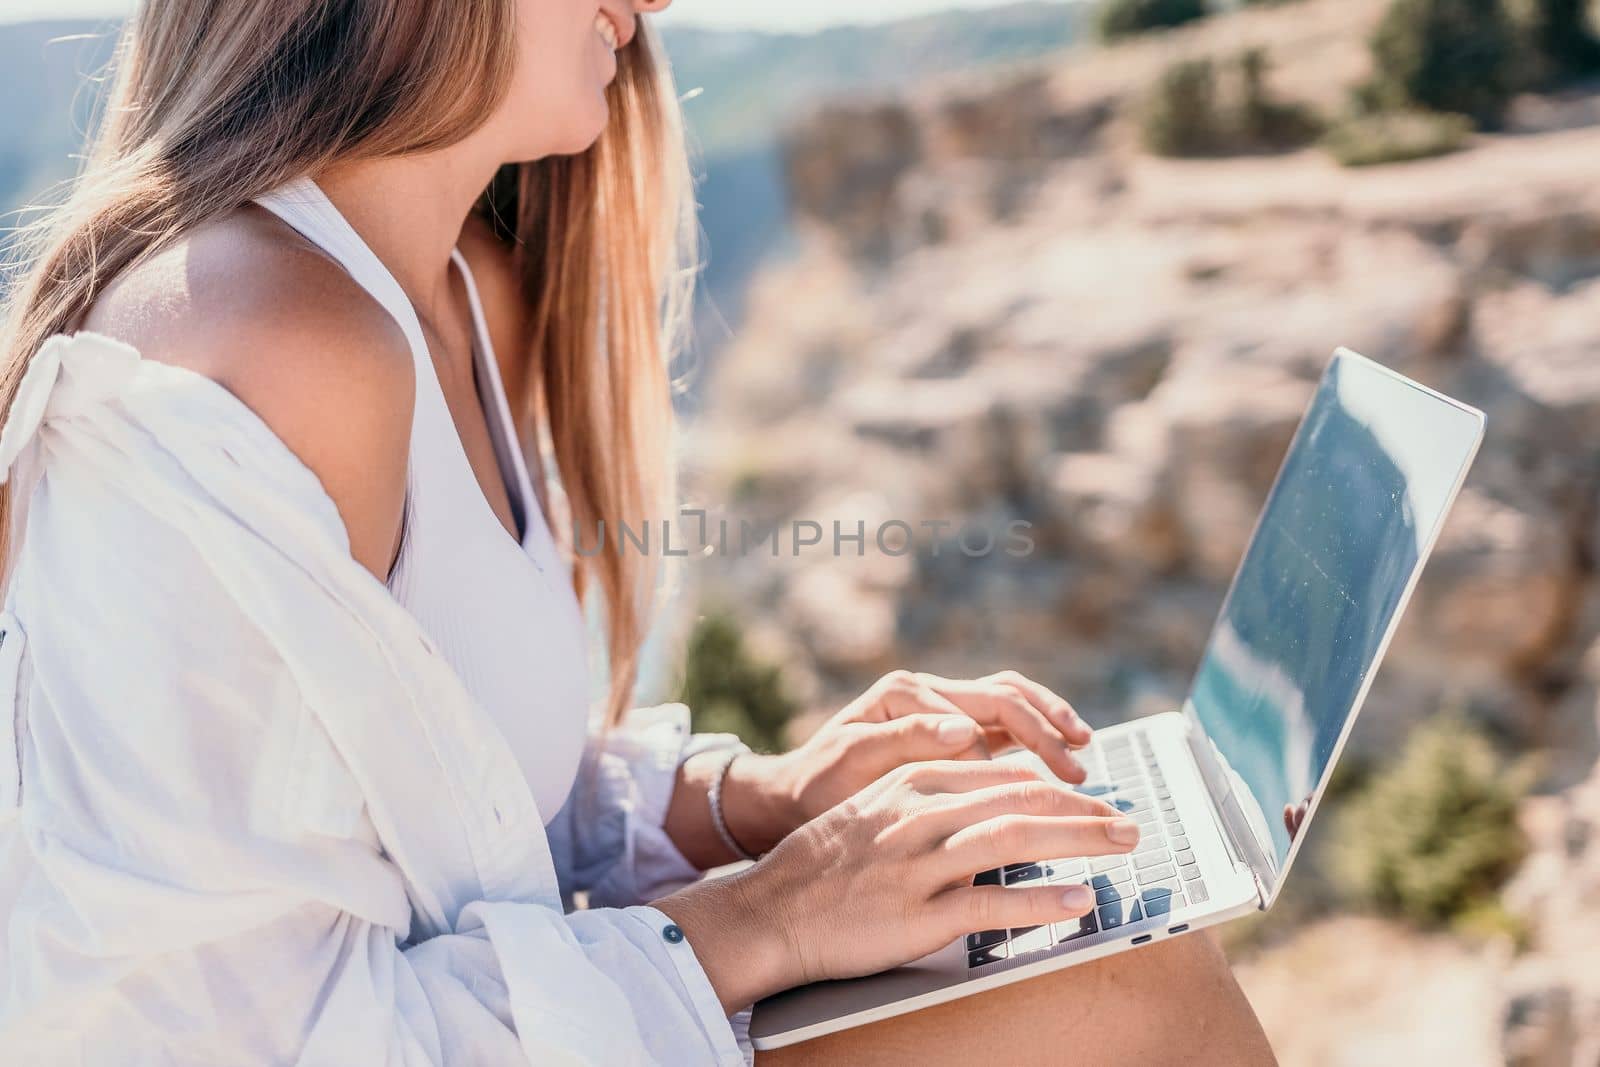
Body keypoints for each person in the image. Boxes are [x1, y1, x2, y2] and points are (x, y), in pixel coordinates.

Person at [0, 1, 1274, 1062]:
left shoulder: (452, 291)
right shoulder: (270, 336)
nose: (658, 2)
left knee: (1113, 941)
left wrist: (753, 803)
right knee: (1127, 991)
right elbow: (201, 1033)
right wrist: (769, 915)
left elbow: (444, 810)